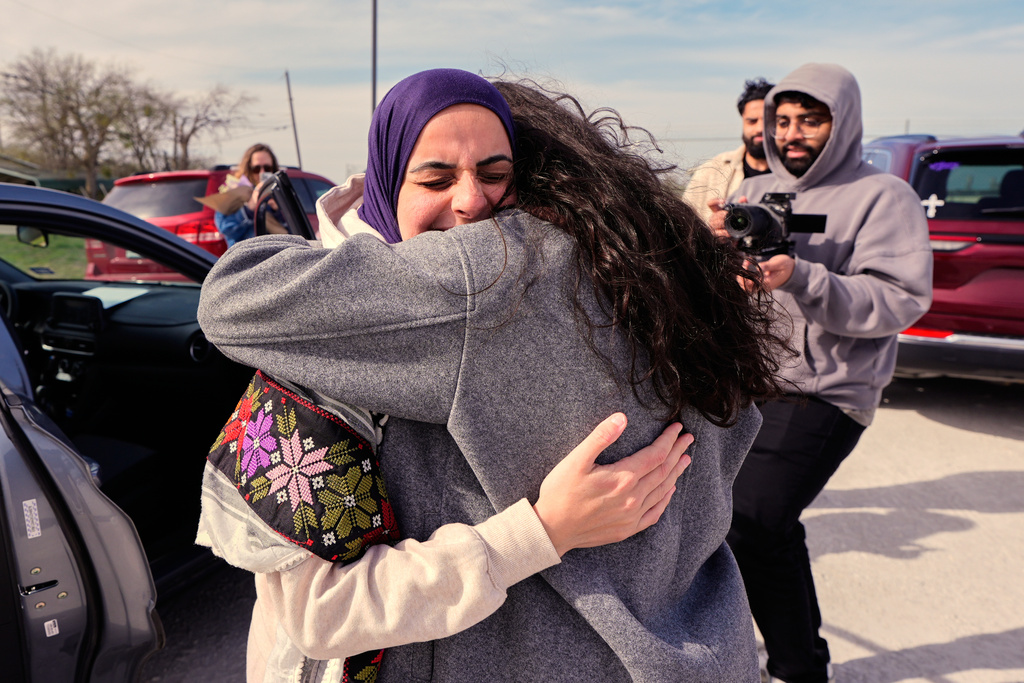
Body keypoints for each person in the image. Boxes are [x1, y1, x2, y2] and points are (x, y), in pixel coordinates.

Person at [199, 69, 789, 682]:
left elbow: (232, 297)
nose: (471, 202)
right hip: (707, 649)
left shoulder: (490, 271)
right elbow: (319, 610)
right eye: (434, 177)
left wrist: (540, 534)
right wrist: (541, 530)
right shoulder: (656, 268)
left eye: (495, 174)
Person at [708, 63, 933, 683]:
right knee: (729, 521)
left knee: (754, 518)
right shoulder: (754, 194)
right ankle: (780, 654)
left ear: (843, 121)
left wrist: (803, 275)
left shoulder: (884, 197)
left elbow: (900, 299)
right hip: (752, 377)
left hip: (829, 388)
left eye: (811, 119)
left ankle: (797, 668)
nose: (794, 132)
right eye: (784, 120)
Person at [683, 77, 774, 224]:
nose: (759, 129)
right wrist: (712, 233)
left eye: (768, 121)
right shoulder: (711, 172)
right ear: (743, 121)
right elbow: (684, 230)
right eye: (752, 121)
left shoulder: (802, 175)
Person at [215, 143, 280, 246]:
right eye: (256, 169)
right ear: (248, 168)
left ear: (273, 169)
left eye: (267, 168)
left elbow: (294, 233)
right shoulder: (234, 192)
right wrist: (248, 210)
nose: (262, 173)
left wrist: (278, 210)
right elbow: (226, 229)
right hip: (246, 259)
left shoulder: (280, 192)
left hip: (277, 257)